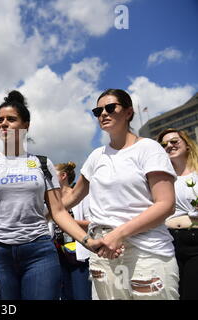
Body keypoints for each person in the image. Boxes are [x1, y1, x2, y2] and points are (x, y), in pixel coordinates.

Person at [0, 90, 105, 300]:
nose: (4, 124)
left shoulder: (43, 164)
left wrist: (88, 241)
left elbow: (59, 212)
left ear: (25, 125)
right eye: (0, 120)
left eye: (11, 119)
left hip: (39, 253)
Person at [63, 88, 179, 300]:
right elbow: (68, 200)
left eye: (110, 107)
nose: (103, 114)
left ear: (128, 112)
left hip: (145, 251)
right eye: (98, 111)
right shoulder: (96, 157)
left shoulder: (149, 149)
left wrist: (118, 234)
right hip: (102, 253)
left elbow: (165, 204)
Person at [157, 128, 198, 300]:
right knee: (174, 294)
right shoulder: (163, 178)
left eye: (174, 141)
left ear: (187, 145)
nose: (170, 146)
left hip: (195, 240)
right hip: (170, 242)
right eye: (164, 144)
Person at [53, 162, 91, 300]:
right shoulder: (51, 200)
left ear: (63, 176)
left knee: (82, 295)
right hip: (58, 257)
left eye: (52, 173)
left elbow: (92, 224)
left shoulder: (82, 197)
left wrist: (66, 221)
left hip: (79, 258)